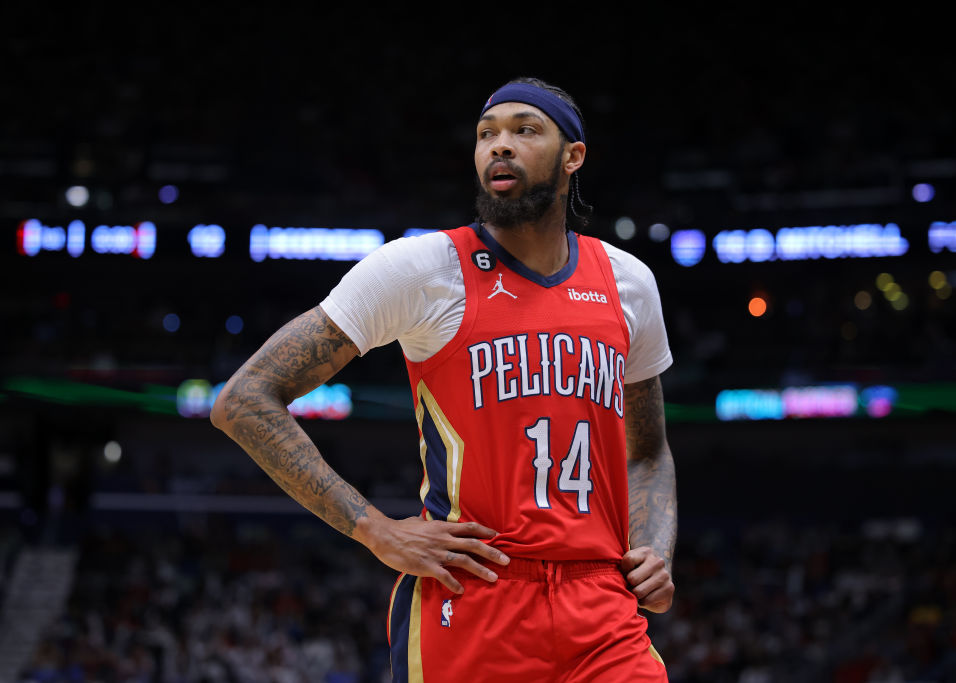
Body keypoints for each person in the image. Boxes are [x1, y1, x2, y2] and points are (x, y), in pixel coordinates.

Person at [211, 76, 677, 682]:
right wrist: (374, 530)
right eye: (487, 135)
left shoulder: (628, 281)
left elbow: (648, 448)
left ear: (573, 157)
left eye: (523, 131)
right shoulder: (423, 269)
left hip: (601, 605)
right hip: (473, 594)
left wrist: (657, 545)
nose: (498, 146)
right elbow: (244, 400)